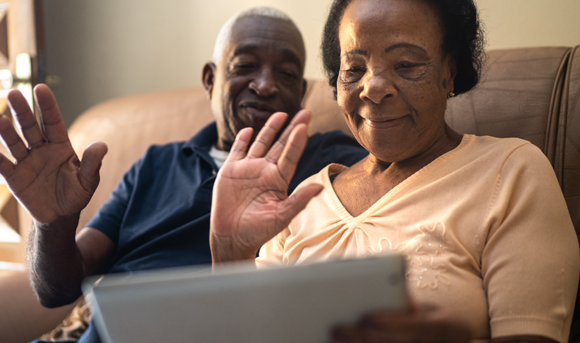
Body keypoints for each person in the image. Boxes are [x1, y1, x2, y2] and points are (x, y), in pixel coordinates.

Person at [0, 7, 367, 343]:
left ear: (300, 92)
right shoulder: (156, 164)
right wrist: (53, 224)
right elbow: (56, 290)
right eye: (245, 66)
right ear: (210, 80)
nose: (264, 85)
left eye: (285, 74)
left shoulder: (331, 159)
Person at [208, 0, 580, 342]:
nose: (373, 88)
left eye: (405, 65)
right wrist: (230, 256)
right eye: (353, 69)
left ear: (449, 73)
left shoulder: (510, 171)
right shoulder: (303, 199)